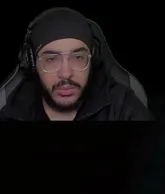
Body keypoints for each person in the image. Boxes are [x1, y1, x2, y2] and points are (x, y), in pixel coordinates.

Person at [0, 8, 150, 122]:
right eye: (51, 59)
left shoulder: (122, 106)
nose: (66, 74)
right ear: (32, 64)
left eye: (78, 57)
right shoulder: (13, 114)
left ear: (92, 59)